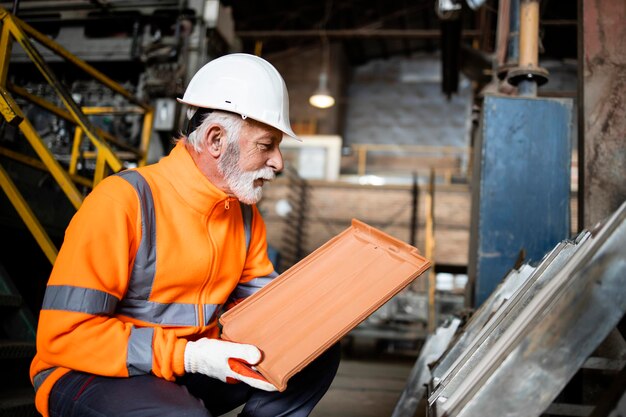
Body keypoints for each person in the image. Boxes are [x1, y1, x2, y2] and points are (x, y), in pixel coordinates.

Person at [30, 53, 340, 417]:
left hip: (189, 364)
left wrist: (328, 306)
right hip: (91, 370)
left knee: (314, 350)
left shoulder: (243, 213)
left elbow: (265, 310)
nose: (278, 162)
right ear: (215, 140)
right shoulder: (123, 202)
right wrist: (189, 355)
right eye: (266, 145)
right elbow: (65, 337)